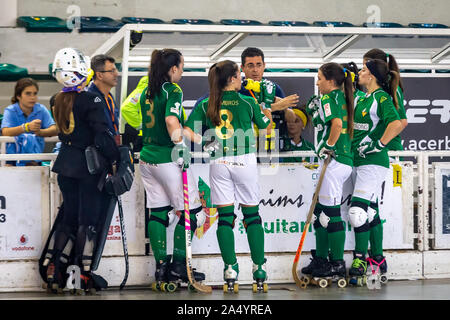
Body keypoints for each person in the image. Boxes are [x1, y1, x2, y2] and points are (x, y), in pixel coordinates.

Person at [184, 60, 271, 291]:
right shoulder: (247, 100)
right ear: (232, 79)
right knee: (252, 216)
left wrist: (207, 142)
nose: (242, 77)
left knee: (225, 218)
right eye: (239, 74)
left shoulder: (206, 103)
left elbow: (187, 129)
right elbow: (266, 127)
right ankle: (259, 269)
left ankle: (230, 269)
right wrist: (267, 107)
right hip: (244, 160)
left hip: (218, 162)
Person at [46, 47, 120, 293]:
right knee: (86, 222)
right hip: (88, 167)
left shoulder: (57, 99)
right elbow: (103, 136)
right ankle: (80, 274)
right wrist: (116, 158)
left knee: (68, 219)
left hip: (65, 164)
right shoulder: (92, 99)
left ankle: (56, 269)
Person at [138, 48, 206, 290]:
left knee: (158, 212)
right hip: (167, 159)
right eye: (182, 67)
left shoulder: (148, 90)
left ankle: (161, 268)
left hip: (147, 159)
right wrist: (180, 146)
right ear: (173, 68)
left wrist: (200, 140)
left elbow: (178, 124)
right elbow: (170, 121)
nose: (183, 72)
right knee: (192, 214)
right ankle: (179, 267)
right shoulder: (173, 90)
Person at [347, 58, 404, 283]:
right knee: (369, 213)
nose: (360, 73)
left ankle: (359, 259)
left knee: (356, 213)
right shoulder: (364, 97)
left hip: (373, 163)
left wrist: (379, 144)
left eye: (362, 70)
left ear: (371, 75)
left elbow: (397, 123)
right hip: (357, 161)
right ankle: (377, 259)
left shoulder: (381, 97)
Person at [300, 62, 354, 283]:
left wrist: (329, 146)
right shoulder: (338, 97)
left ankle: (337, 263)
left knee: (330, 214)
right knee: (320, 214)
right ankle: (322, 259)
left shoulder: (328, 98)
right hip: (337, 161)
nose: (317, 82)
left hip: (335, 160)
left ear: (331, 81)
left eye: (320, 78)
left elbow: (337, 124)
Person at [239, 47, 298, 152]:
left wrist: (283, 106)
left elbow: (291, 118)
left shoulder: (273, 88)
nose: (255, 70)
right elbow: (246, 115)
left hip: (272, 150)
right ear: (242, 68)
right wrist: (275, 106)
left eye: (258, 65)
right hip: (245, 150)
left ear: (264, 66)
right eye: (250, 65)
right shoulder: (238, 89)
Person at [1, 78, 57, 165]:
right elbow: (5, 132)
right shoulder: (10, 110)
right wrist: (26, 127)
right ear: (18, 96)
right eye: (28, 94)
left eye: (35, 94)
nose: (32, 97)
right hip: (12, 160)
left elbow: (54, 129)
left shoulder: (41, 109)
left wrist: (40, 132)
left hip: (35, 159)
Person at [88, 54, 120, 145]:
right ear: (99, 75)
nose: (117, 74)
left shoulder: (109, 98)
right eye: (112, 71)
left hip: (110, 149)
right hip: (97, 151)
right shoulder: (90, 99)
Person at [119, 76, 148, 152]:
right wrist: (140, 125)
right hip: (147, 136)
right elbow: (126, 108)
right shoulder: (145, 88)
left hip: (148, 136)